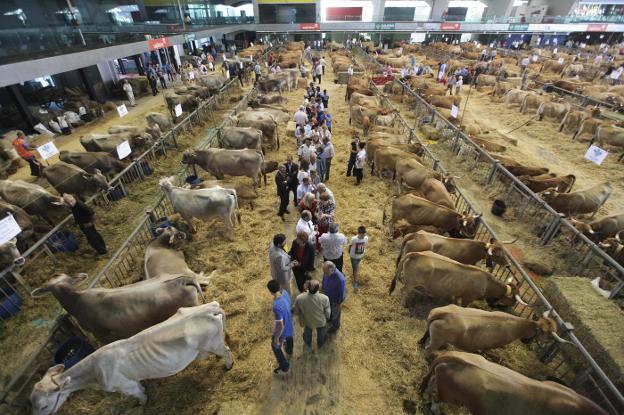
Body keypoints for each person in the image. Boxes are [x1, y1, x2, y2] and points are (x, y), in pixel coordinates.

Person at [267, 279, 294, 375]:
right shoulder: (285, 293)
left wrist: (277, 339)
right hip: (290, 323)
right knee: (289, 337)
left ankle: (285, 367)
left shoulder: (276, 305)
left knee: (275, 346)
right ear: (279, 287)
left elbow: (280, 325)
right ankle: (289, 350)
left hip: (283, 329)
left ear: (270, 291)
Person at [294, 280, 331, 349]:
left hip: (308, 321)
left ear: (307, 288)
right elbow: (327, 312)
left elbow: (296, 310)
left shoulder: (299, 298)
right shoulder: (325, 298)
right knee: (321, 333)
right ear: (318, 288)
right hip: (320, 321)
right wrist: (327, 317)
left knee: (307, 332)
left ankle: (307, 343)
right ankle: (320, 344)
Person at [321, 261, 347, 334]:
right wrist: (323, 287)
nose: (325, 274)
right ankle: (329, 319)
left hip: (335, 301)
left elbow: (342, 293)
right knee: (328, 310)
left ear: (332, 270)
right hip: (327, 297)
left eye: (326, 273)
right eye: (324, 272)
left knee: (335, 314)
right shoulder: (327, 272)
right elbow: (324, 279)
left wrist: (339, 303)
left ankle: (335, 326)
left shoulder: (340, 279)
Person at [348, 226, 368, 291]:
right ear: (358, 233)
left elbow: (365, 245)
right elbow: (350, 246)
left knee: (356, 267)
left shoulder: (366, 238)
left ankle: (354, 274)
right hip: (354, 257)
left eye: (364, 234)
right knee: (355, 269)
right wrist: (350, 252)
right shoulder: (354, 239)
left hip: (360, 256)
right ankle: (355, 283)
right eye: (362, 234)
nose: (363, 236)